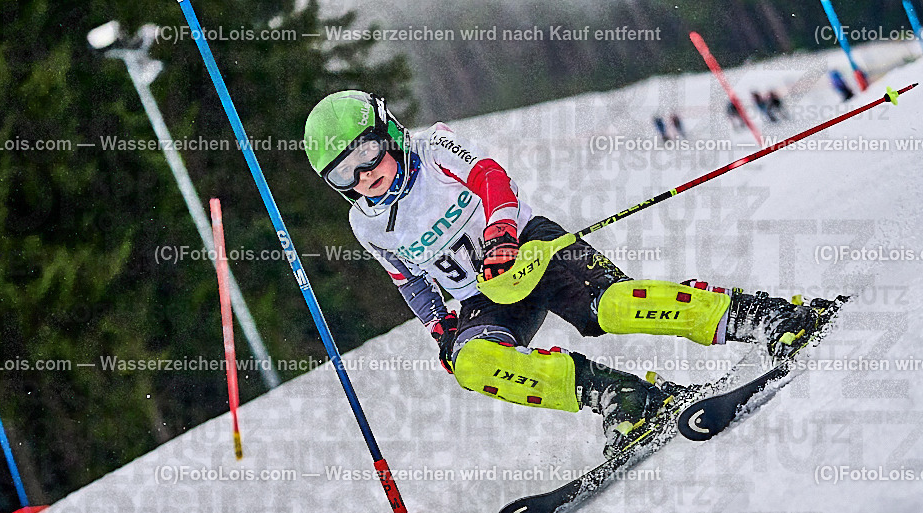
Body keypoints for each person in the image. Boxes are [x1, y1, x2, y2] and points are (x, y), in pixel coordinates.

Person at [303, 91, 835, 453]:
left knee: (612, 306)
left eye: (368, 153)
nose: (366, 175)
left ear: (388, 132)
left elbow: (492, 178)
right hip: (483, 297)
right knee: (473, 363)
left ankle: (764, 317)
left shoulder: (433, 145)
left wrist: (501, 236)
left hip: (529, 248)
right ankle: (624, 397)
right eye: (344, 173)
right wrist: (440, 329)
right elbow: (410, 279)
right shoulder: (366, 223)